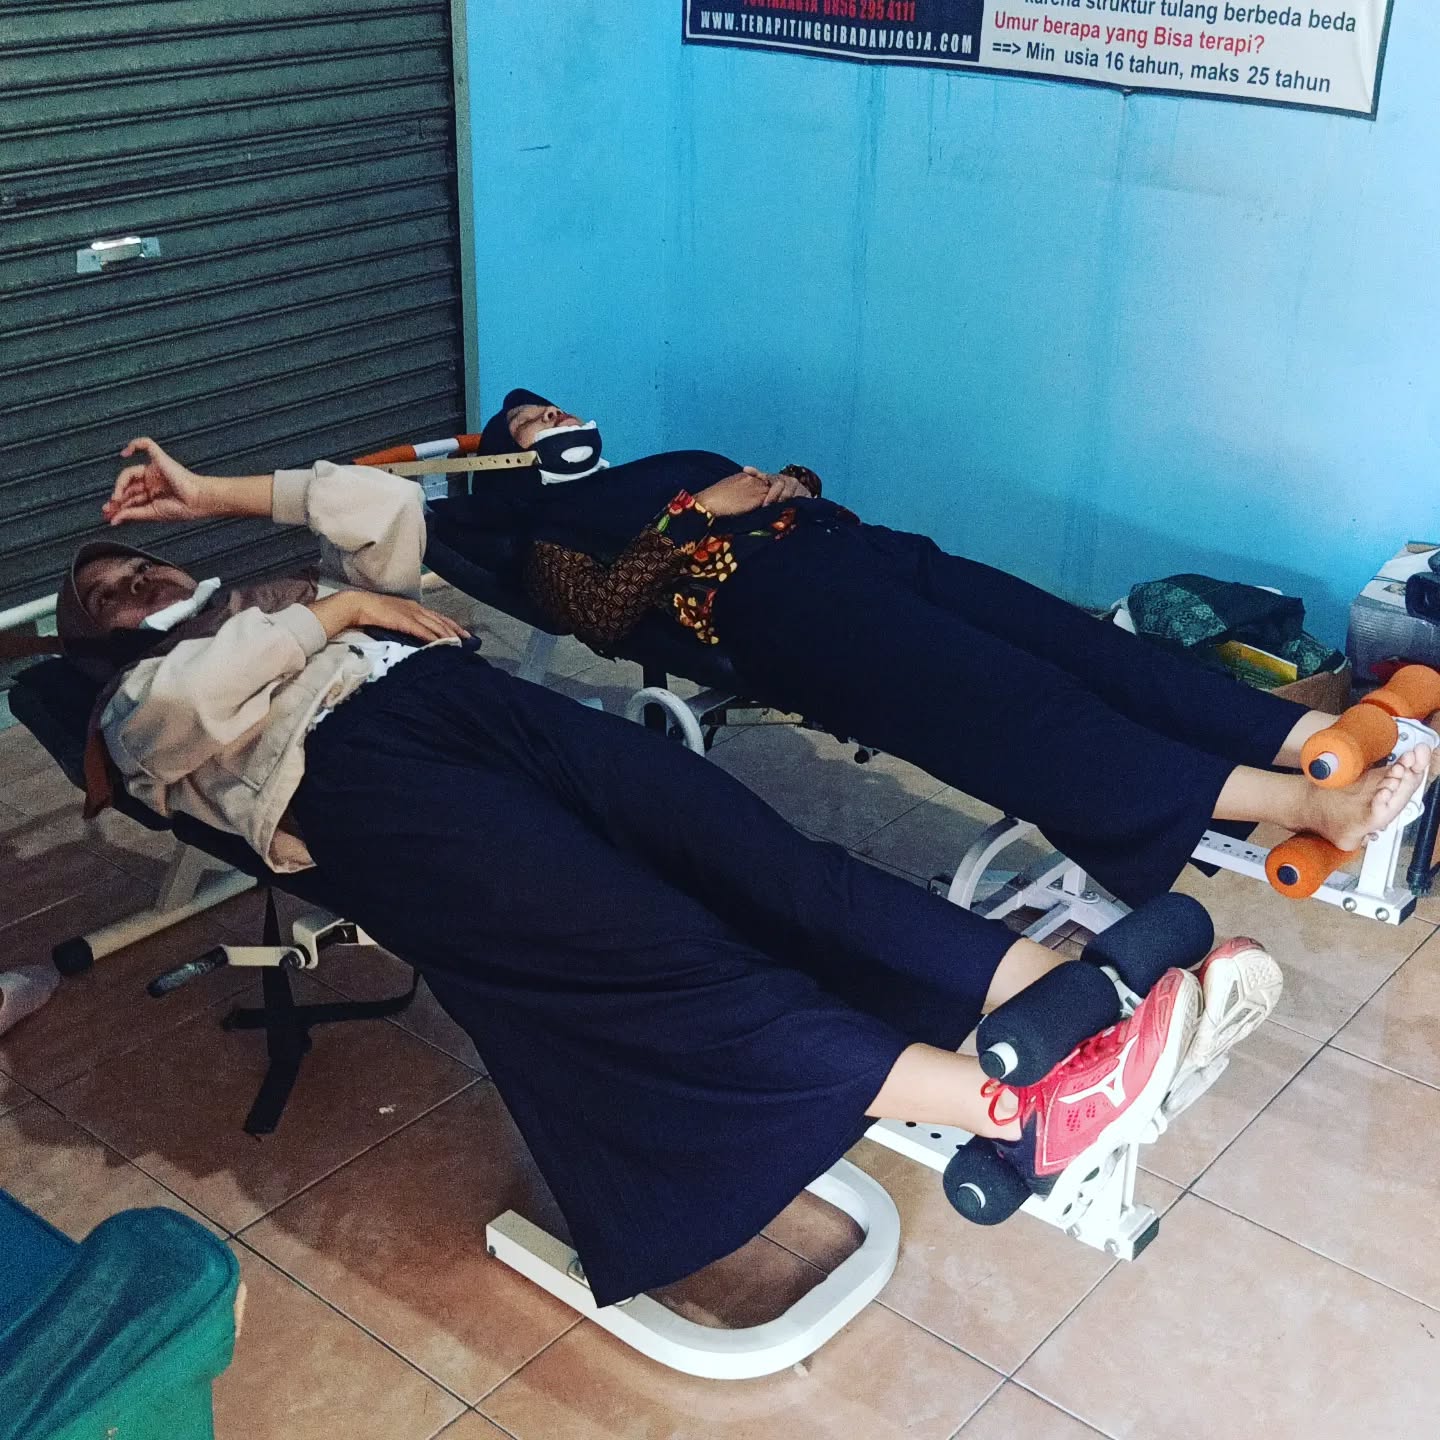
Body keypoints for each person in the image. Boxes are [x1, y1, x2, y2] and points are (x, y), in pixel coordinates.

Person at [50, 436, 1270, 1307]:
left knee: (770, 863)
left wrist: (211, 497)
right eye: (102, 594)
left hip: (479, 709)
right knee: (658, 954)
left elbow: (378, 507)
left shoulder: (275, 592)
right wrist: (335, 620)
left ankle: (1066, 997)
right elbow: (178, 715)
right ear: (94, 642)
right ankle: (1015, 1113)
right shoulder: (136, 701)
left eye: (133, 562)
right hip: (363, 783)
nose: (131, 582)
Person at [428, 389, 1432, 908]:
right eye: (531, 421)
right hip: (781, 610)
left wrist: (787, 486)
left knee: (1084, 647)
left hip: (868, 554)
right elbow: (601, 617)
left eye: (554, 406)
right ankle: (1306, 805)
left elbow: (772, 492)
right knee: (1020, 702)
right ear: (515, 460)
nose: (554, 416)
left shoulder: (658, 460)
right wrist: (700, 514)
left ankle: (1312, 742)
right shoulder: (550, 534)